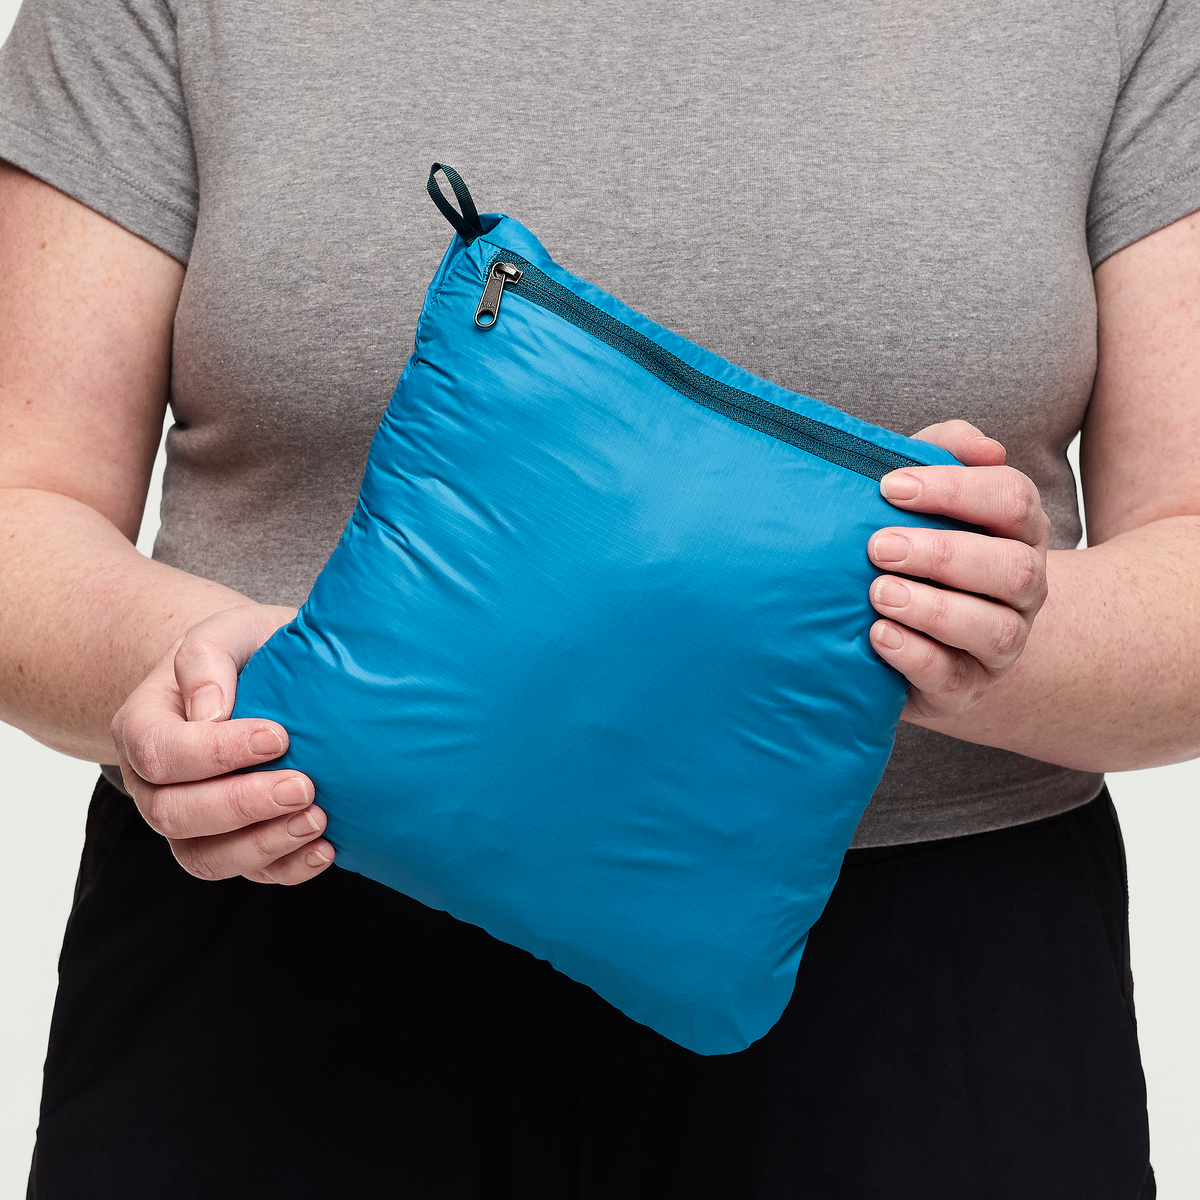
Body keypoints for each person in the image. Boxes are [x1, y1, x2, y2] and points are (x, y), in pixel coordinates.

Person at [0, 0, 1196, 1196]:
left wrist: (972, 631)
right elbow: (23, 503)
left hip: (933, 1002)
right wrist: (203, 685)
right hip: (271, 915)